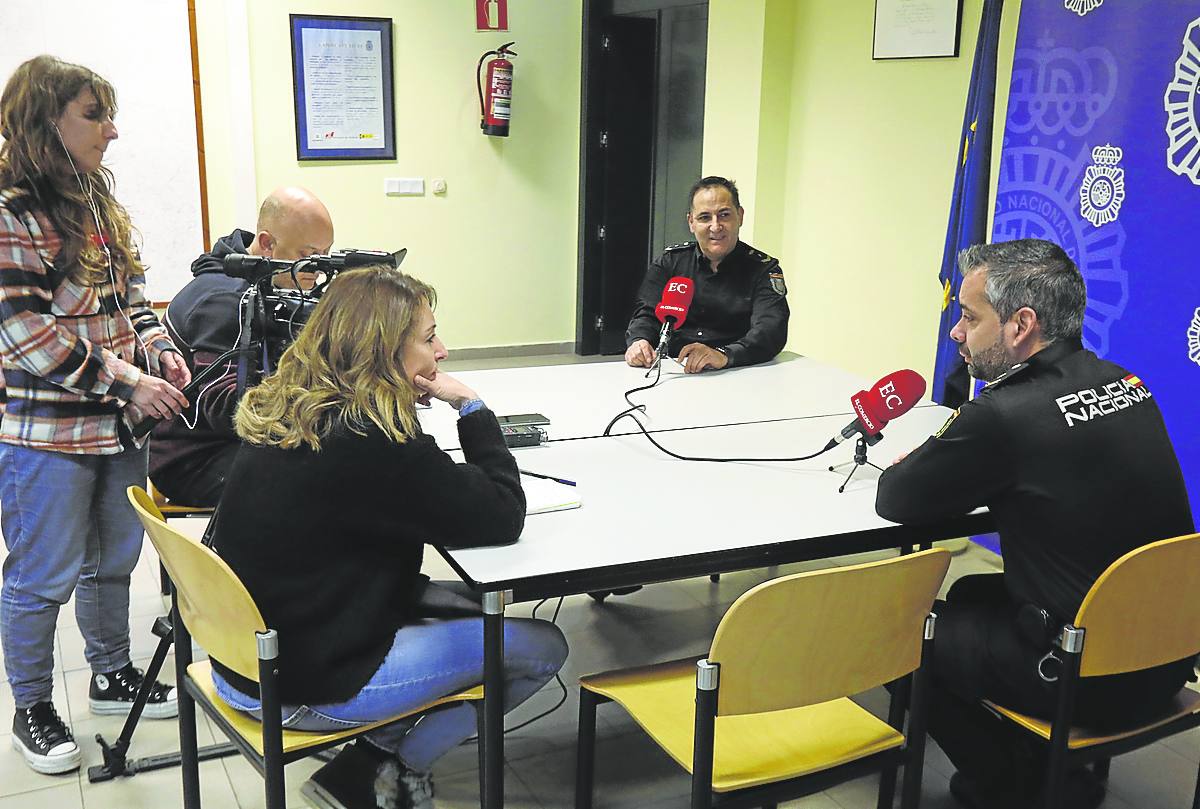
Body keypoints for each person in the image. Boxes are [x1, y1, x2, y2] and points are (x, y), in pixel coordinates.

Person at [206, 265, 568, 809]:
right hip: (300, 680)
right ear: (383, 352)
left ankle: (374, 755)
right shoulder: (374, 440)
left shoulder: (295, 405)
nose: (442, 350)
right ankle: (388, 767)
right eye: (428, 338)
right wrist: (471, 407)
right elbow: (499, 515)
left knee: (467, 603)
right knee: (544, 647)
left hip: (244, 654)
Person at [875, 239, 1195, 809]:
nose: (956, 333)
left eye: (970, 318)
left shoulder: (1002, 413)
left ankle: (1007, 787)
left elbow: (896, 499)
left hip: (1082, 670)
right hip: (1168, 656)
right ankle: (1053, 769)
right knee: (972, 592)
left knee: (897, 636)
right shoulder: (1126, 384)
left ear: (1021, 324)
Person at [0, 55, 190, 775]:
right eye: (93, 114)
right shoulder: (10, 212)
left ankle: (110, 673)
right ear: (45, 119)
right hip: (46, 436)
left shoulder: (95, 201)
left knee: (112, 563)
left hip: (118, 427)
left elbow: (131, 296)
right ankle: (33, 706)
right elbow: (23, 333)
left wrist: (159, 346)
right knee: (41, 576)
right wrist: (126, 383)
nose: (113, 130)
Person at [148, 186, 334, 507]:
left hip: (226, 443)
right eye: (307, 256)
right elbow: (226, 409)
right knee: (328, 481)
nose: (318, 271)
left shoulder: (264, 284)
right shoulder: (223, 300)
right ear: (266, 244)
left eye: (325, 255)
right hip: (194, 459)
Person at [624, 176, 789, 373]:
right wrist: (638, 341)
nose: (715, 226)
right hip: (673, 371)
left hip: (738, 370)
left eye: (724, 215)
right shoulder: (670, 263)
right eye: (704, 217)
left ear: (741, 216)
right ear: (691, 222)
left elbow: (770, 330)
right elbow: (647, 313)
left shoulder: (763, 269)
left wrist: (724, 355)